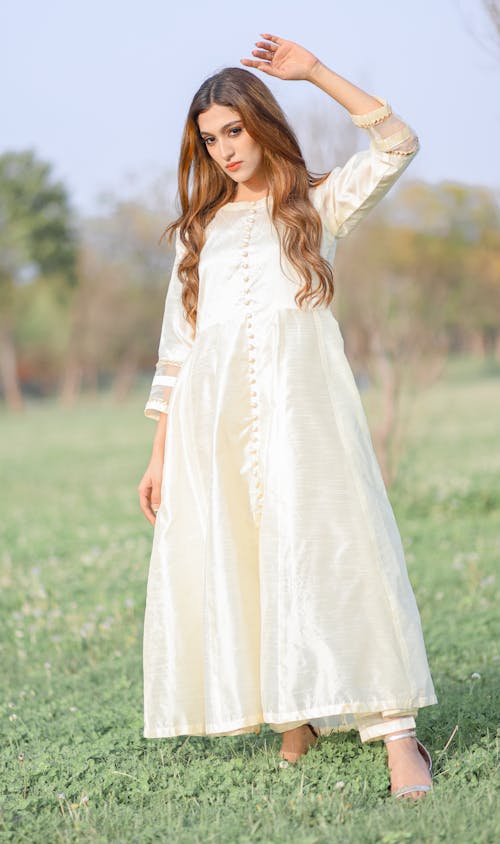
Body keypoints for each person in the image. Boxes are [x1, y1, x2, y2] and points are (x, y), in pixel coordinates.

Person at [138, 34, 437, 800]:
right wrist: (159, 454)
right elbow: (179, 348)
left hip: (307, 414)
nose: (224, 150)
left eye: (233, 130)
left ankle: (398, 736)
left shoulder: (316, 199)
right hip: (215, 422)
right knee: (243, 552)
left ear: (261, 123)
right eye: (210, 139)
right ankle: (291, 711)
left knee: (340, 549)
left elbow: (398, 143)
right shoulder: (197, 231)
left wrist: (314, 73)